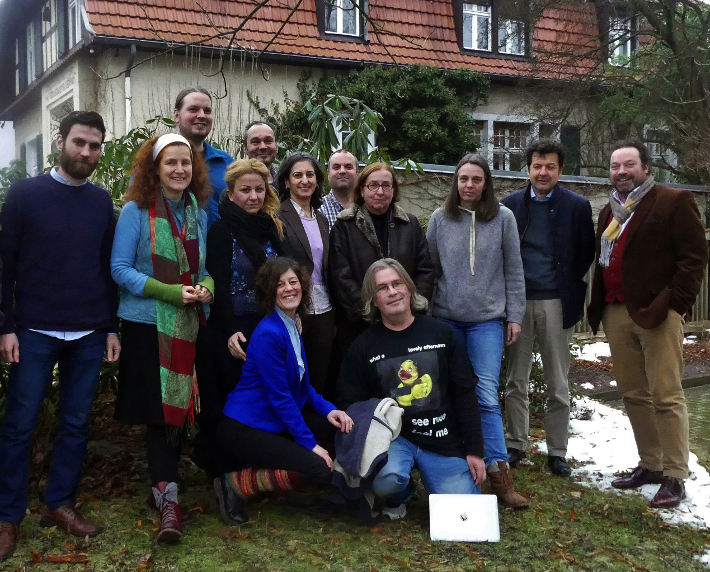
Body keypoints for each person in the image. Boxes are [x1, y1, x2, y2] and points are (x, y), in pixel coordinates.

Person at [0, 111, 120, 561]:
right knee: (19, 426)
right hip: (32, 330)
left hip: (89, 331)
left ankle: (59, 504)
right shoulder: (25, 195)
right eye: (79, 143)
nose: (86, 152)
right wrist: (6, 325)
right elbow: (5, 266)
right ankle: (8, 516)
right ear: (60, 141)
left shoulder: (100, 203)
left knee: (75, 424)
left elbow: (107, 273)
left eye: (94, 146)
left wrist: (110, 327)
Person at [587, 140, 708, 508]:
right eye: (614, 167)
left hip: (657, 313)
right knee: (634, 394)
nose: (621, 172)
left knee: (666, 395)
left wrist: (677, 307)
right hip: (615, 310)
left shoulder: (673, 200)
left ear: (645, 168)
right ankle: (651, 465)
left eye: (628, 165)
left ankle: (675, 475)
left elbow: (694, 257)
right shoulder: (610, 212)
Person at [111, 133, 214, 544]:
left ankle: (170, 480)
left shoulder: (197, 211)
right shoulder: (135, 211)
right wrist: (171, 292)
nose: (179, 170)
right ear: (154, 168)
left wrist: (208, 287)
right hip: (147, 326)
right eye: (170, 162)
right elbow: (120, 269)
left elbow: (202, 267)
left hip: (188, 325)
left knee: (185, 409)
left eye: (186, 163)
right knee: (159, 414)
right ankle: (167, 496)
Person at [336, 259, 485, 520]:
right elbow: (351, 403)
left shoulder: (441, 333)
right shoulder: (363, 347)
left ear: (410, 289)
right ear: (373, 301)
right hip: (395, 440)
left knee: (465, 514)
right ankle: (400, 493)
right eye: (382, 288)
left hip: (443, 439)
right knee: (387, 480)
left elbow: (465, 393)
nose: (392, 292)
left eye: (397, 284)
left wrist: (474, 451)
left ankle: (440, 478)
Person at [214, 257, 353, 525]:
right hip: (244, 427)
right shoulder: (269, 333)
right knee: (318, 468)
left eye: (293, 282)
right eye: (280, 285)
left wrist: (330, 410)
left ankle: (293, 480)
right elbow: (281, 398)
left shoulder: (291, 324)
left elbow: (302, 386)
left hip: (273, 420)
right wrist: (310, 445)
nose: (289, 289)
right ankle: (233, 484)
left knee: (335, 428)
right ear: (269, 292)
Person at [427, 153, 528, 509]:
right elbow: (430, 271)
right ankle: (455, 465)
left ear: (486, 183)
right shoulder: (440, 220)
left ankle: (500, 476)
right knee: (447, 393)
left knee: (485, 393)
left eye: (476, 179)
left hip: (487, 321)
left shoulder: (503, 219)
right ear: (455, 183)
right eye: (463, 179)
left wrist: (514, 316)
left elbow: (514, 271)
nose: (469, 185)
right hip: (446, 319)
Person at [501, 139, 595, 477]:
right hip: (519, 302)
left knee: (558, 382)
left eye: (550, 167)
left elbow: (585, 253)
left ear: (560, 170)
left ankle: (557, 451)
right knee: (516, 379)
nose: (543, 172)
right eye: (537, 166)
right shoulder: (509, 205)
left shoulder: (577, 206)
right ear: (527, 169)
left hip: (557, 301)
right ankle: (515, 443)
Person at [205, 159, 289, 409]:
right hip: (236, 328)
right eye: (245, 190)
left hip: (272, 324)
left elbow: (288, 270)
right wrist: (230, 330)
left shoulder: (272, 227)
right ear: (230, 195)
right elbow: (218, 283)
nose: (254, 197)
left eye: (260, 189)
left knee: (271, 397)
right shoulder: (222, 230)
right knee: (239, 398)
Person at [329, 162, 434, 350]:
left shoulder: (410, 225)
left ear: (393, 190)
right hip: (361, 326)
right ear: (362, 190)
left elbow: (424, 269)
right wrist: (371, 310)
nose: (380, 191)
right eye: (373, 185)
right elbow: (340, 277)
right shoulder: (344, 227)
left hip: (406, 322)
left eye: (386, 185)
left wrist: (409, 307)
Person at [276, 153, 335, 397]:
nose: (304, 180)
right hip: (295, 305)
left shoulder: (321, 218)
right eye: (297, 175)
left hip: (324, 306)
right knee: (294, 373)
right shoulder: (278, 216)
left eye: (310, 175)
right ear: (287, 182)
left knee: (320, 373)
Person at [173, 86, 234, 227]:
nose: (201, 115)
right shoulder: (156, 160)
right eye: (193, 109)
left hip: (220, 246)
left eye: (207, 111)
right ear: (176, 115)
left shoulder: (226, 162)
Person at [320, 149, 358, 231]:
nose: (342, 171)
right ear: (328, 173)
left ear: (357, 173)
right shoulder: (316, 210)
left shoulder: (368, 208)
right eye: (336, 167)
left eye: (348, 167)